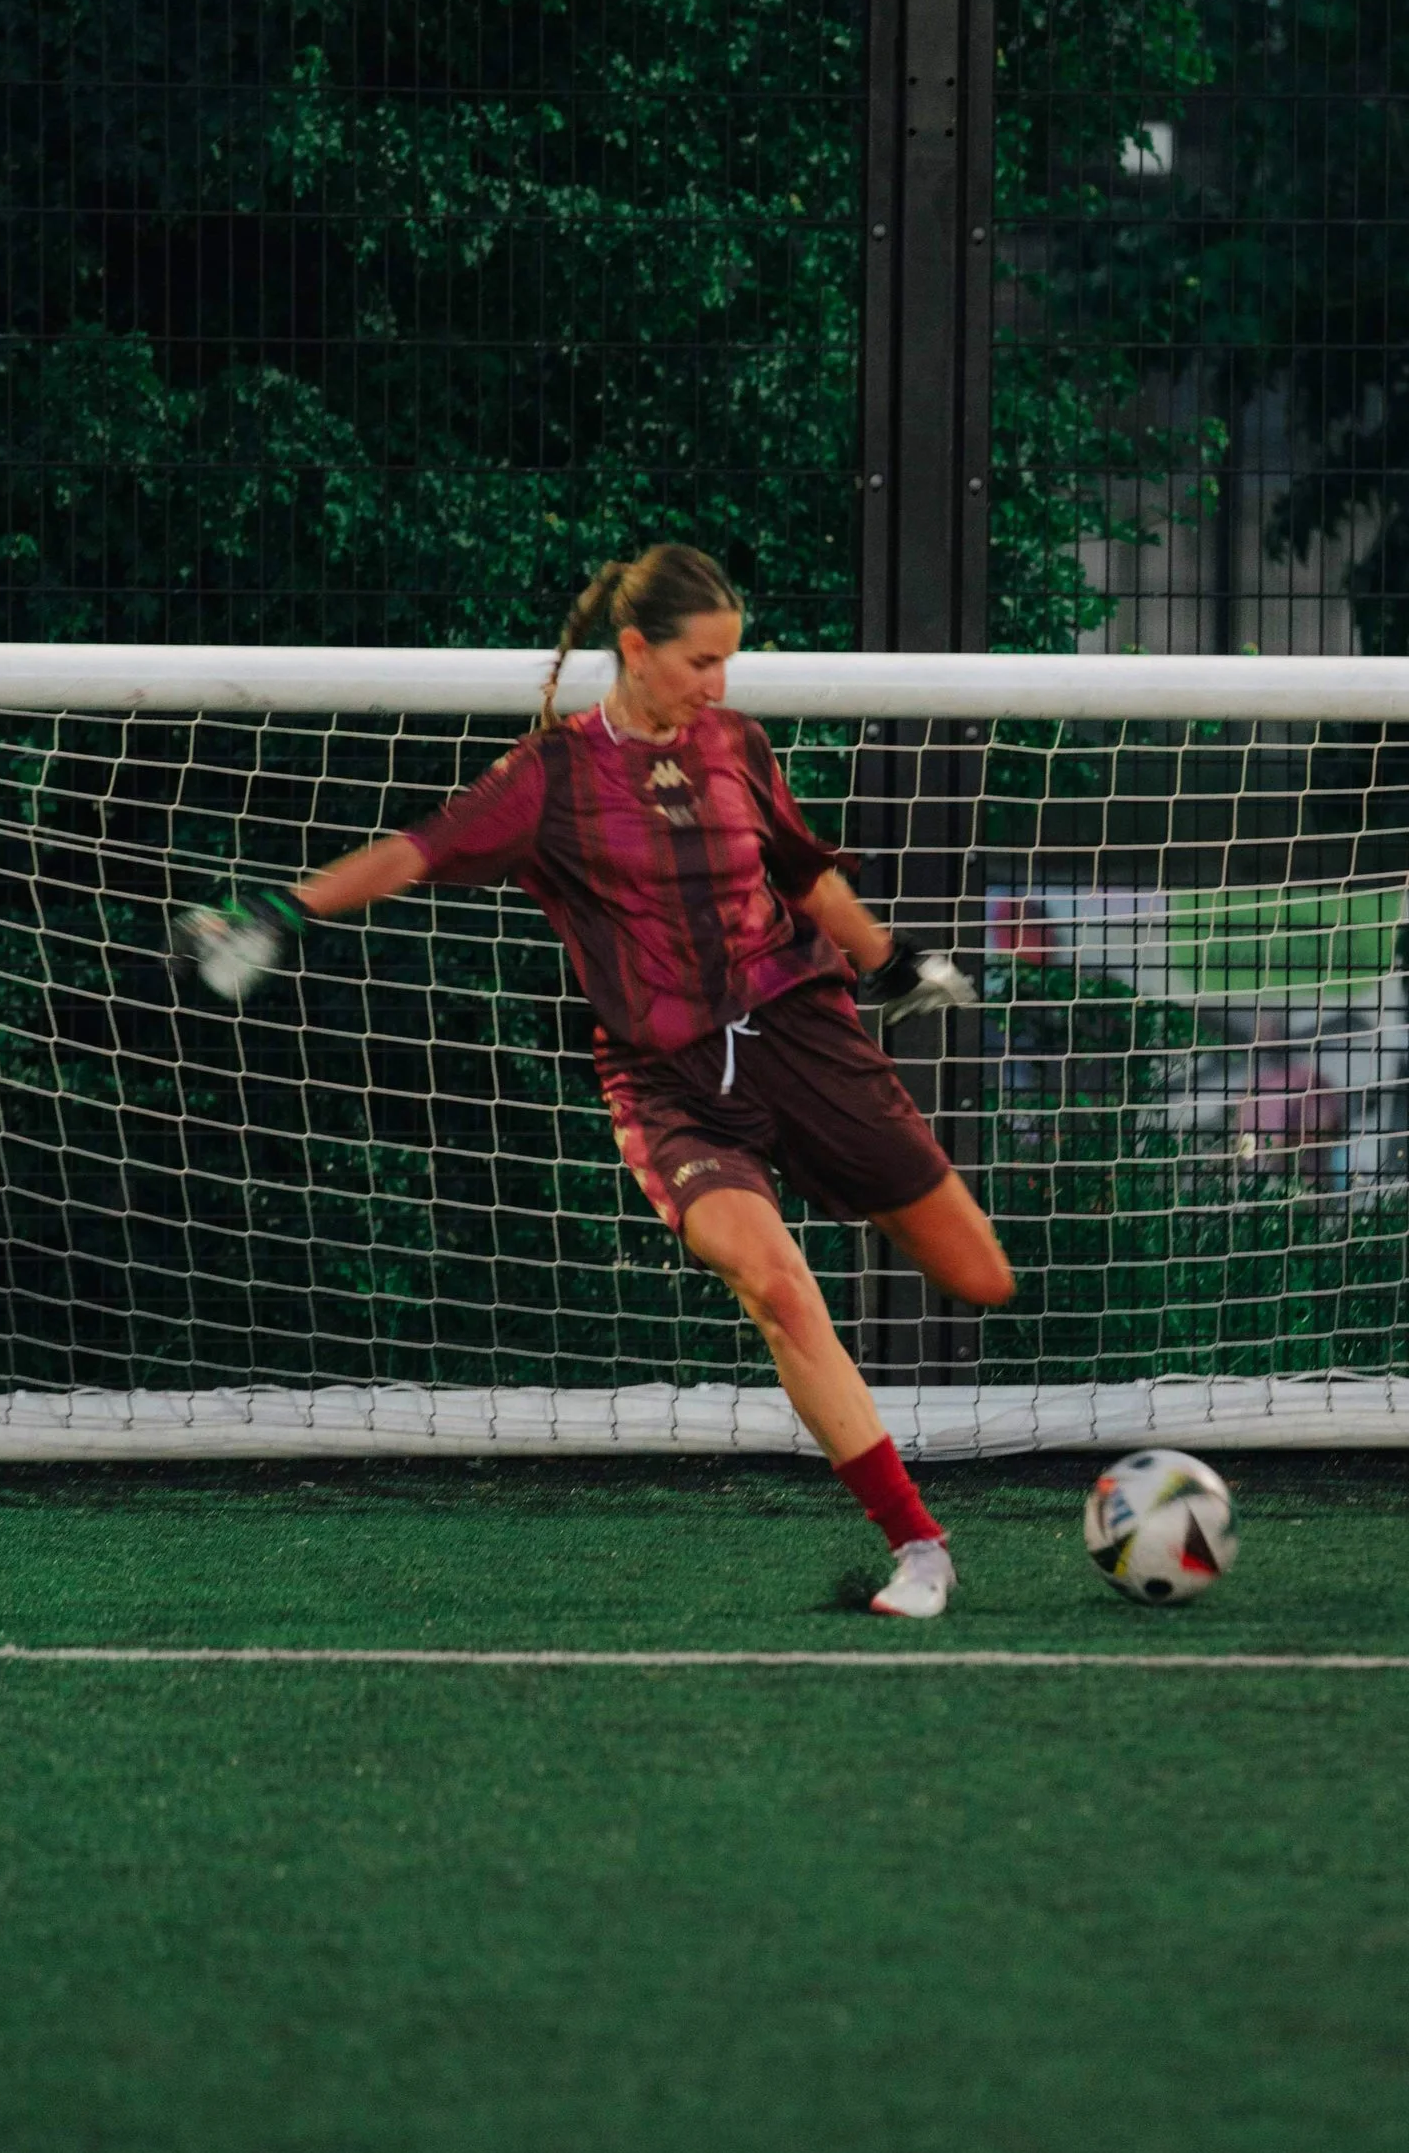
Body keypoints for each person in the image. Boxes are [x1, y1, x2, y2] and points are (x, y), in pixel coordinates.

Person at [172, 544, 1012, 1618]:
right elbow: (416, 851)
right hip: (667, 1082)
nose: (718, 682)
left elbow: (800, 870)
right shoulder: (551, 777)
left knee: (979, 1276)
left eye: (728, 660)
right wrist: (282, 911)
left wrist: (888, 964)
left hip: (800, 1031)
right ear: (635, 650)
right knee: (776, 1284)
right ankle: (919, 1545)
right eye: (701, 659)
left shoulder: (737, 743)